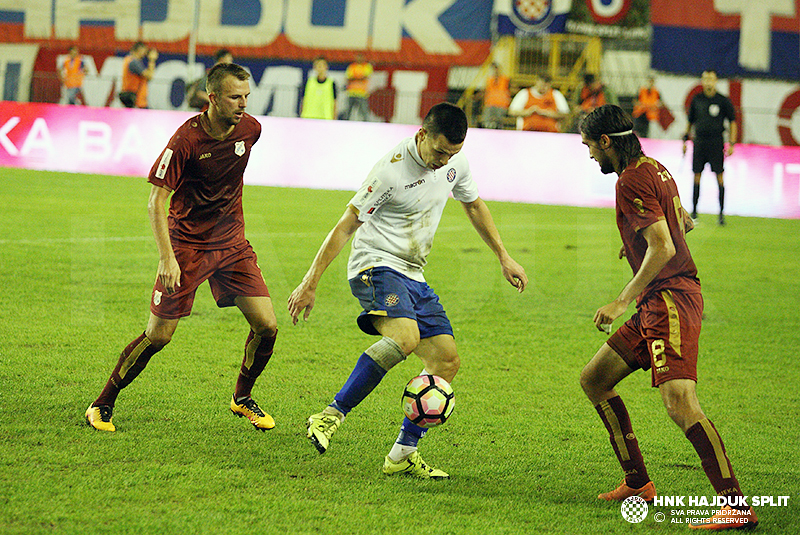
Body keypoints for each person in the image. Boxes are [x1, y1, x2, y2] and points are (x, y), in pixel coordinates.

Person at [288, 103, 528, 479]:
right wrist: (309, 282)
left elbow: (474, 205)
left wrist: (504, 256)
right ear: (422, 135)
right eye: (439, 152)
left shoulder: (454, 162)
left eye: (453, 154)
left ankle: (402, 453)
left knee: (447, 361)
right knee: (405, 337)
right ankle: (330, 415)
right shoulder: (390, 172)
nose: (443, 161)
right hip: (374, 264)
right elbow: (345, 226)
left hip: (413, 272)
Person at [578, 104, 757, 531]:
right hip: (659, 300)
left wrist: (622, 299)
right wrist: (636, 243)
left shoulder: (630, 180)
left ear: (606, 142)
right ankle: (637, 482)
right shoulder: (655, 168)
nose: (589, 156)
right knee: (594, 380)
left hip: (670, 300)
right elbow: (684, 224)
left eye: (589, 146)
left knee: (680, 402)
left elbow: (664, 246)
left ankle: (735, 505)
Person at [86, 63, 279, 433]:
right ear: (213, 98)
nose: (243, 105)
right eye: (235, 97)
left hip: (232, 243)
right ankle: (101, 403)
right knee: (158, 336)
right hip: (187, 246)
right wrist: (167, 257)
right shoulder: (185, 141)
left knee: (267, 325)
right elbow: (155, 201)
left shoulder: (251, 130)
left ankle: (242, 399)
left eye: (246, 97)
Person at [683, 70, 737, 226]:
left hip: (716, 143)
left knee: (719, 177)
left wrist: (732, 143)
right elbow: (690, 122)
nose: (708, 82)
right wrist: (685, 141)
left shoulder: (723, 100)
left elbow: (732, 122)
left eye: (711, 79)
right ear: (702, 81)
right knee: (696, 176)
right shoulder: (697, 99)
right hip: (699, 143)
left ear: (715, 81)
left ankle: (721, 214)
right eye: (705, 79)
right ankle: (694, 212)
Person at [120, 41, 158, 109]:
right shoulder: (134, 62)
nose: (145, 54)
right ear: (140, 50)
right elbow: (149, 76)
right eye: (144, 51)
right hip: (138, 100)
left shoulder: (128, 59)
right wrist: (152, 60)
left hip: (132, 97)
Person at [344, 53, 373, 121]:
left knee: (364, 113)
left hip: (362, 93)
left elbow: (365, 77)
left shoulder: (367, 66)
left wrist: (354, 78)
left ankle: (366, 126)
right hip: (351, 92)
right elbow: (348, 78)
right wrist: (359, 78)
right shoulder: (352, 66)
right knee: (347, 112)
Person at [481, 63, 510, 129]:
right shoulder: (489, 80)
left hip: (501, 106)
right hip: (490, 105)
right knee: (486, 118)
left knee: (498, 120)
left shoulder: (505, 80)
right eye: (493, 70)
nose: (495, 71)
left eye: (496, 69)